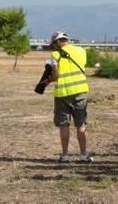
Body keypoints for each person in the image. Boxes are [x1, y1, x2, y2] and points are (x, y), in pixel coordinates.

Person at [44, 31, 93, 163]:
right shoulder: (82, 51)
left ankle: (65, 156)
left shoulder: (55, 55)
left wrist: (47, 80)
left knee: (64, 125)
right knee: (81, 125)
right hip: (80, 93)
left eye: (54, 44)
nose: (53, 47)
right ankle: (83, 155)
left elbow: (55, 76)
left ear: (58, 42)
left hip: (63, 94)